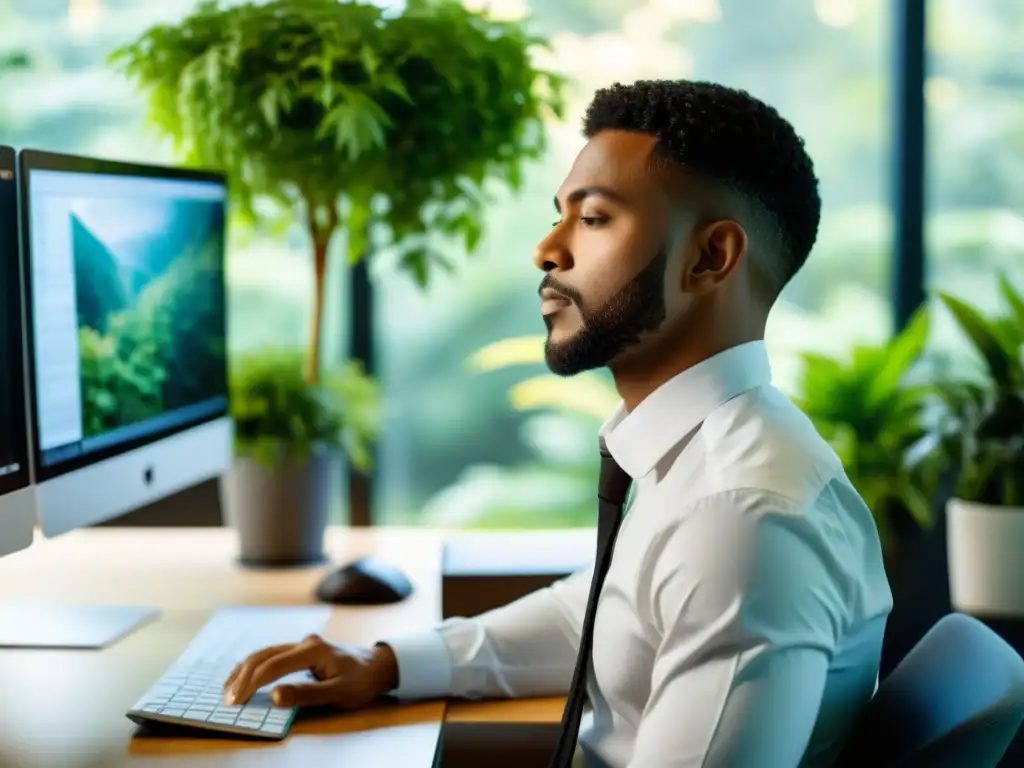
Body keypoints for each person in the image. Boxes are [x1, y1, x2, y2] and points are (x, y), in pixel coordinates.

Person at [223, 79, 893, 767]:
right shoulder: (705, 457)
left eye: (595, 218)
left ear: (709, 258)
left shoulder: (743, 518)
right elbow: (601, 616)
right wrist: (389, 663)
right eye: (560, 215)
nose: (547, 249)